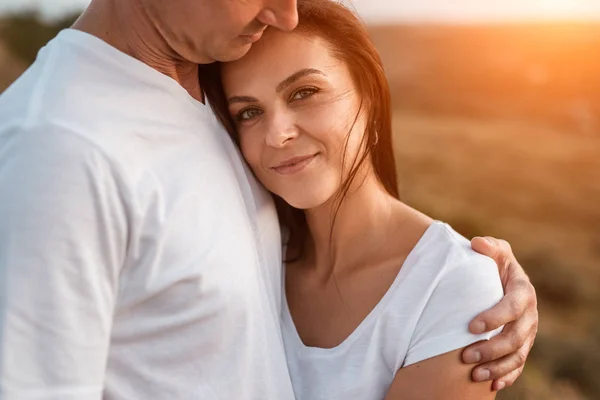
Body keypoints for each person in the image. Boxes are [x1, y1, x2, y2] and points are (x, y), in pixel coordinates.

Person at [0, 0, 536, 398]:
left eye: (303, 93)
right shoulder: (59, 146)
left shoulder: (207, 83)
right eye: (250, 113)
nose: (285, 11)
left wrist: (469, 279)